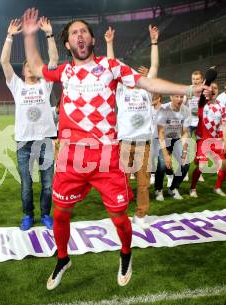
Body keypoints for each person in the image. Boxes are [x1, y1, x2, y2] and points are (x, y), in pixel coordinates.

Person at [21, 8, 209, 290]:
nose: (79, 35)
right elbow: (35, 66)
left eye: (84, 31)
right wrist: (28, 34)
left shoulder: (111, 67)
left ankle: (125, 253)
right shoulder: (64, 71)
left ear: (92, 39)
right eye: (74, 33)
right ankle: (62, 259)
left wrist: (189, 90)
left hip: (106, 156)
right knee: (60, 213)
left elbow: (148, 82)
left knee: (119, 216)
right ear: (69, 44)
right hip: (72, 157)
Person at [0, 18, 58, 230]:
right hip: (24, 143)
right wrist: (9, 37)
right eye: (28, 66)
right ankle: (27, 215)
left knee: (47, 184)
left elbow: (53, 61)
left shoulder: (46, 84)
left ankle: (45, 215)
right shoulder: (16, 86)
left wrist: (49, 35)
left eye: (34, 66)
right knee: (26, 185)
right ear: (23, 71)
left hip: (44, 141)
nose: (31, 68)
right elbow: (4, 63)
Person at [107, 24, 160, 229]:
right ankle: (120, 212)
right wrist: (110, 43)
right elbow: (112, 65)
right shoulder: (121, 89)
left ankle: (140, 214)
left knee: (143, 182)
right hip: (125, 141)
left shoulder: (146, 88)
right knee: (120, 181)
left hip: (143, 142)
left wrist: (154, 41)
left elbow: (154, 66)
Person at [190, 82, 226, 197]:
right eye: (210, 88)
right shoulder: (202, 103)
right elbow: (202, 93)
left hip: (216, 140)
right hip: (203, 140)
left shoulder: (222, 106)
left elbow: (224, 125)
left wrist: (225, 142)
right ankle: (192, 188)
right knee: (202, 166)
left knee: (224, 165)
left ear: (218, 90)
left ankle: (217, 187)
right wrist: (208, 79)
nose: (212, 90)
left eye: (215, 88)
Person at [155, 94, 191, 201]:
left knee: (185, 164)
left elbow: (185, 132)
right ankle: (158, 189)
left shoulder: (186, 110)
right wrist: (166, 155)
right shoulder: (163, 110)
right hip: (163, 139)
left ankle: (173, 188)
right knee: (162, 165)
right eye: (176, 96)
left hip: (176, 139)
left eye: (181, 97)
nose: (179, 99)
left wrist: (184, 151)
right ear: (171, 97)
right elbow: (160, 132)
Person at [185, 70, 205, 182]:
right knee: (186, 148)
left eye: (197, 79)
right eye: (193, 79)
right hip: (189, 123)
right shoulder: (189, 90)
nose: (195, 81)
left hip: (201, 123)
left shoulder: (204, 91)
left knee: (200, 149)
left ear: (201, 79)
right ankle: (185, 172)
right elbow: (183, 104)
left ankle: (199, 173)